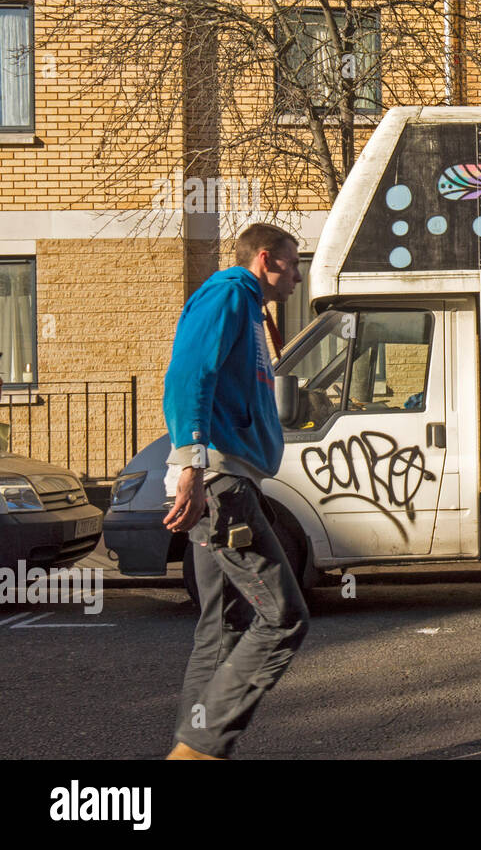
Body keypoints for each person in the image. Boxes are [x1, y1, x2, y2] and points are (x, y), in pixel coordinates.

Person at [162, 223, 307, 760]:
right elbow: (186, 376)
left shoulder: (250, 310)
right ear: (265, 259)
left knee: (223, 626)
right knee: (284, 618)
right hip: (221, 484)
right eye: (292, 265)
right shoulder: (228, 293)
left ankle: (197, 750)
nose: (296, 276)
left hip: (230, 478)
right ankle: (198, 752)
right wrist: (193, 466)